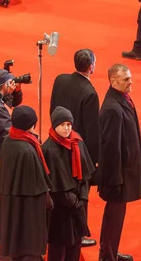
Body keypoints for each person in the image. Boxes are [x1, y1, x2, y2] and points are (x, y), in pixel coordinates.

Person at [50, 48, 100, 248]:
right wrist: (93, 161)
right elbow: (92, 130)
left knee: (60, 190)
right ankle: (79, 233)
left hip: (56, 143)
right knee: (80, 194)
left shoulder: (60, 80)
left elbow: (54, 110)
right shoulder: (90, 93)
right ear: (91, 67)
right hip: (78, 152)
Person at [98, 64, 141, 261]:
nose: (130, 82)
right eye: (126, 79)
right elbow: (110, 149)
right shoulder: (112, 109)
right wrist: (115, 179)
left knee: (117, 218)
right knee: (113, 218)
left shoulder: (121, 99)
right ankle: (107, 256)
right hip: (119, 176)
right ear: (113, 81)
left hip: (124, 172)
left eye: (130, 77)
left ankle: (110, 252)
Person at [0, 106, 52, 261]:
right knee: (28, 241)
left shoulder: (9, 140)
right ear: (31, 125)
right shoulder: (27, 149)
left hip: (12, 199)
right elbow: (38, 184)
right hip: (28, 206)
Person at [42, 106, 95, 261]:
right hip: (59, 210)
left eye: (69, 124)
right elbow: (53, 185)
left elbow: (86, 176)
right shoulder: (48, 149)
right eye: (62, 125)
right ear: (54, 125)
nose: (66, 128)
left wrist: (83, 198)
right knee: (57, 249)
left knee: (75, 247)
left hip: (78, 207)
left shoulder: (77, 142)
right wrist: (73, 202)